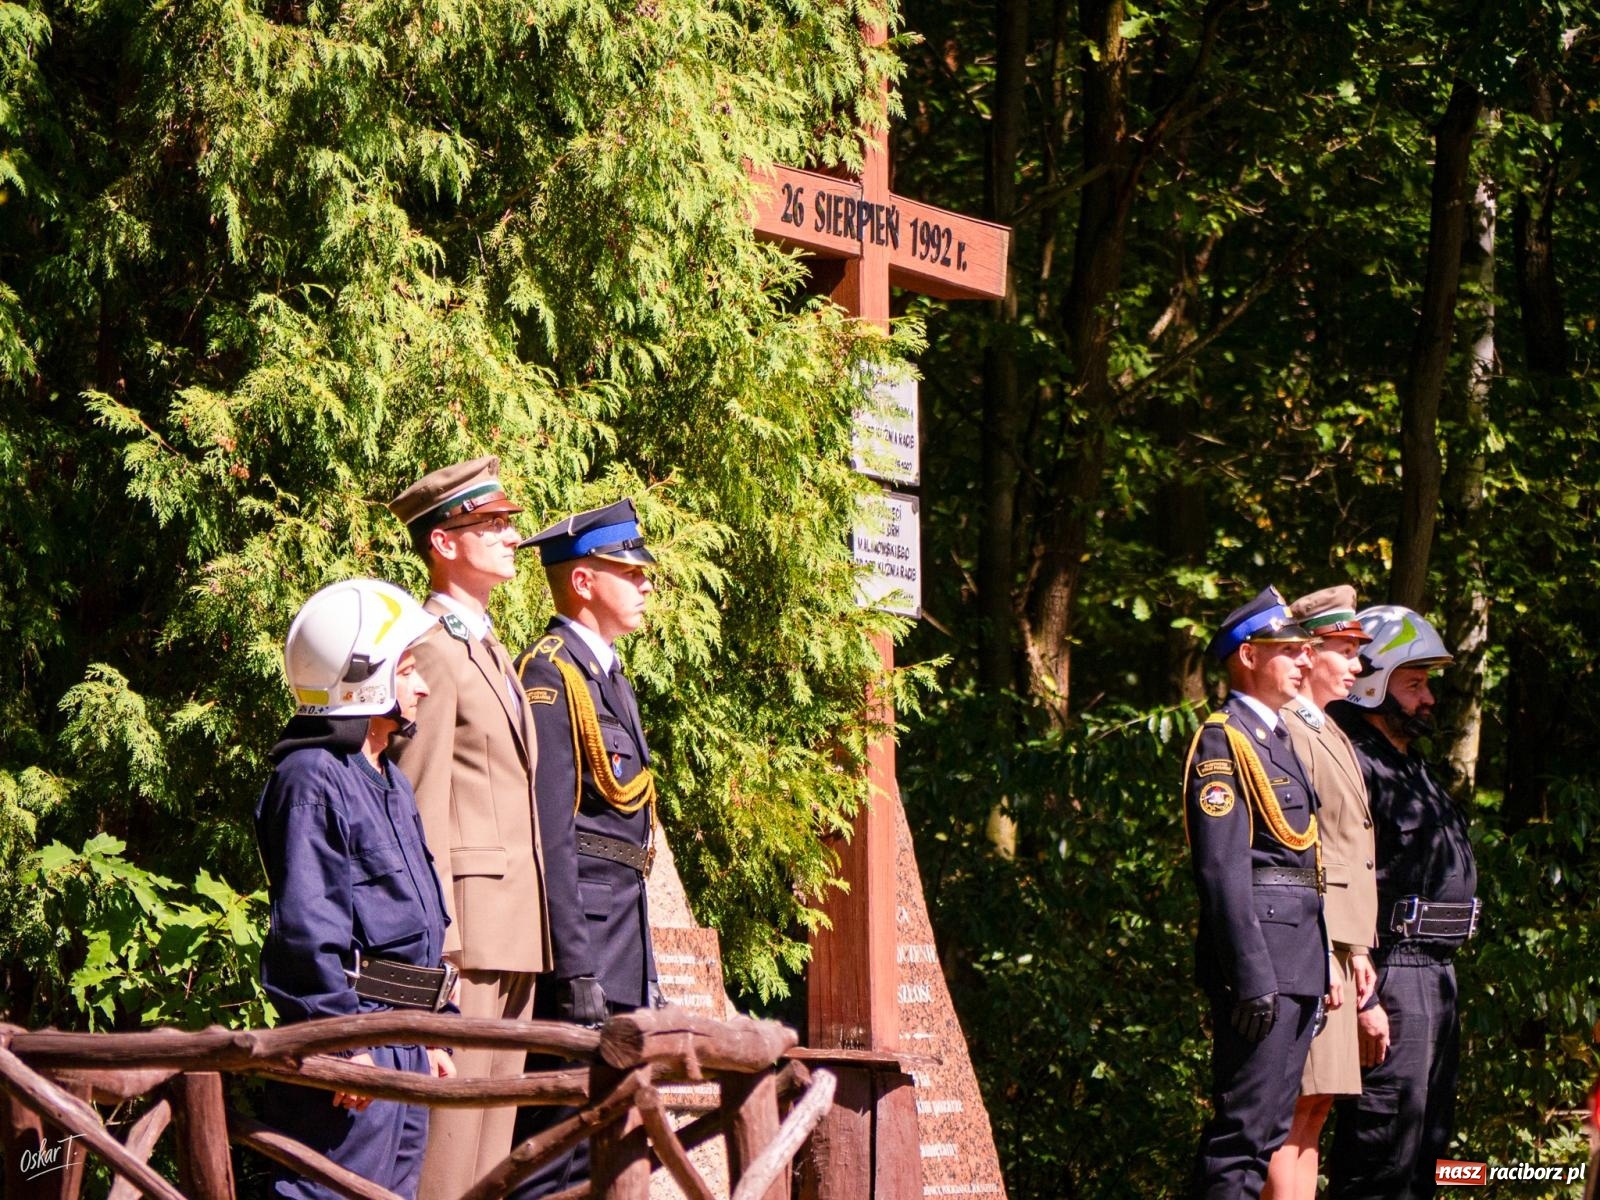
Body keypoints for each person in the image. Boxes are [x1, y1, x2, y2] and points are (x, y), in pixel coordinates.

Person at [255, 579, 458, 1200]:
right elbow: (305, 932)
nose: (420, 687)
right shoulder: (311, 777)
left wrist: (437, 1026)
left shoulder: (388, 780)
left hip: (404, 1039)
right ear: (363, 676)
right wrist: (341, 1044)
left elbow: (417, 924)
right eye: (406, 670)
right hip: (356, 1041)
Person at [386, 456, 552, 1196]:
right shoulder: (433, 648)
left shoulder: (483, 644)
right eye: (490, 525)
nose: (510, 537)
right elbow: (418, 810)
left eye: (508, 523)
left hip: (513, 932)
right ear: (443, 542)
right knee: (450, 1163)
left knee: (491, 1166)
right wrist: (434, 956)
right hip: (468, 939)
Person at [509, 498, 662, 1198]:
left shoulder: (610, 677)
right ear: (583, 581)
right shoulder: (550, 675)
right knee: (555, 1156)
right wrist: (573, 968)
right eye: (628, 572)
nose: (646, 584)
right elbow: (551, 835)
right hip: (584, 953)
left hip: (622, 944)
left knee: (611, 1147)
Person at [1327, 605, 1478, 1200]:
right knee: (1382, 1150)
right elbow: (1336, 882)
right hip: (1391, 971)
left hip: (1437, 971)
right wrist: (1365, 998)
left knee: (1427, 1147)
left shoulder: (1408, 761)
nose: (1429, 700)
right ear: (1370, 683)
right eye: (1413, 684)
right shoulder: (1352, 762)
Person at [1185, 586, 1329, 1200]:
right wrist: (1251, 977)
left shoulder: (1279, 739)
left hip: (1297, 962)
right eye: (1289, 650)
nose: (1304, 660)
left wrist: (1317, 973)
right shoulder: (1225, 740)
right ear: (1247, 656)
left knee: (1267, 1132)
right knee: (1241, 1139)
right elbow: (1222, 872)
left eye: (1305, 650)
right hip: (1263, 966)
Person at [1262, 586, 1379, 1200]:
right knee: (1292, 1111)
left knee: (1317, 1110)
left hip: (1338, 943)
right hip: (1312, 939)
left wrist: (1358, 950)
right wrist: (1326, 944)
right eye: (1345, 650)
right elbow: (1299, 848)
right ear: (1308, 651)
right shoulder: (1287, 731)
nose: (1357, 666)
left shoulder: (1326, 728)